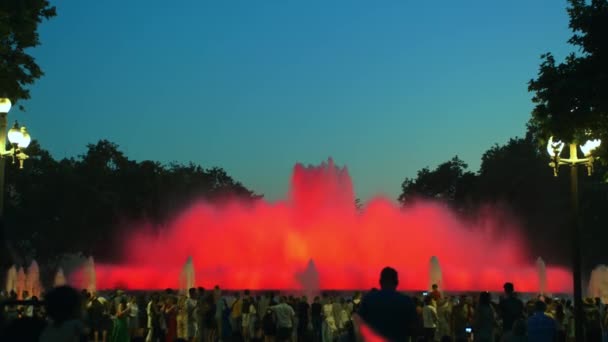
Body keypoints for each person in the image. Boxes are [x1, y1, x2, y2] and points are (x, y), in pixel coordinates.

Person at [355, 267, 418, 341]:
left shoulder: (368, 299)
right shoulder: (407, 301)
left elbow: (359, 326)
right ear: (397, 282)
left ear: (380, 282)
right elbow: (414, 329)